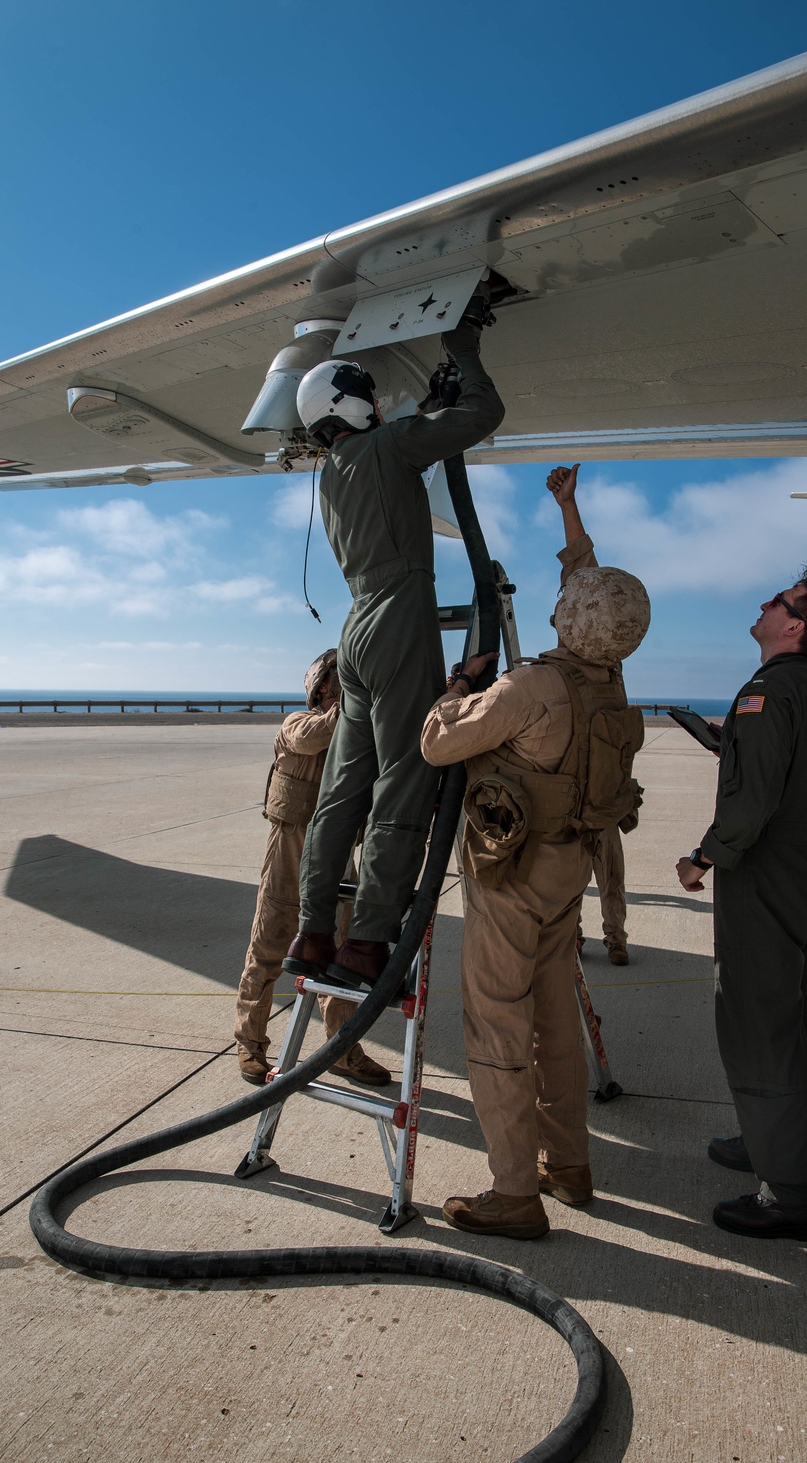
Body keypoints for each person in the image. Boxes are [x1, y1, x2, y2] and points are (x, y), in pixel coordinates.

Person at [421, 464, 650, 1238]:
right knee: (556, 1021)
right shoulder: (610, 682)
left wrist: (457, 689)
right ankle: (570, 1165)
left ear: (568, 621)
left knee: (495, 1025)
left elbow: (438, 744)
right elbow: (593, 590)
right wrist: (570, 510)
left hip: (510, 876)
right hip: (569, 871)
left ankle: (515, 1192)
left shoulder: (531, 688)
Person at [284, 289, 505, 991]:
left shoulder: (336, 473)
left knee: (344, 791)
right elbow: (483, 416)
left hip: (355, 632)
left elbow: (402, 459)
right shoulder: (386, 447)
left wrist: (421, 415)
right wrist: (463, 347)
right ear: (353, 405)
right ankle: (368, 944)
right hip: (400, 617)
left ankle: (315, 933)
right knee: (404, 784)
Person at [676, 567, 807, 1241]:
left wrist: (701, 859)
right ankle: (764, 1142)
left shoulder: (765, 692)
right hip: (804, 880)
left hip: (763, 888)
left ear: (794, 625)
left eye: (778, 600)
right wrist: (733, 745)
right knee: (777, 1022)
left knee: (759, 1033)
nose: (763, 602)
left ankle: (793, 1195)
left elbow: (751, 807)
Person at [235, 649, 391, 1087]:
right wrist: (355, 706)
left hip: (338, 855)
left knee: (340, 957)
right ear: (320, 688)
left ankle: (341, 1050)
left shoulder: (360, 733)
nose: (337, 690)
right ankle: (250, 1045)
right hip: (291, 847)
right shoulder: (297, 724)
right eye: (335, 683)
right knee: (267, 946)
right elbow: (314, 735)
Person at [577, 823, 630, 965]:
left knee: (611, 880)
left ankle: (616, 941)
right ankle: (572, 938)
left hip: (603, 814)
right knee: (569, 883)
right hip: (571, 816)